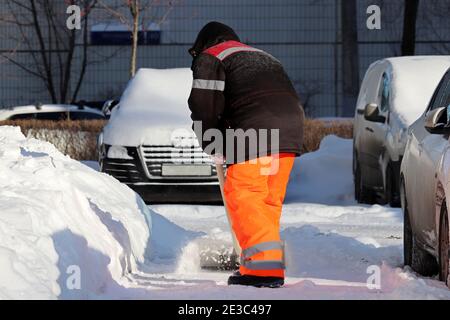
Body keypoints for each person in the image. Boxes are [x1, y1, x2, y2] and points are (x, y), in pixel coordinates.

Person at [188, 21, 304, 288]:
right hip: (290, 131)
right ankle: (260, 265)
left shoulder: (211, 56)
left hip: (256, 131)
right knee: (267, 202)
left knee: (245, 195)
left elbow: (204, 108)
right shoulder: (262, 56)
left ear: (204, 44)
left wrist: (212, 144)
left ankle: (263, 271)